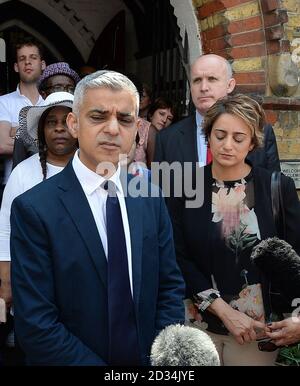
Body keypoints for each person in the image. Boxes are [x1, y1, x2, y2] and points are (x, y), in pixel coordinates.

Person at [10, 70, 185, 365]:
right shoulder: (34, 209)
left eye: (125, 119)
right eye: (98, 116)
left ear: (137, 129)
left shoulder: (150, 198)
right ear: (74, 124)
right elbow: (36, 325)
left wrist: (158, 359)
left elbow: (169, 287)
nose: (113, 129)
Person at [167, 94, 300, 366]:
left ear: (252, 142)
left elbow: (294, 258)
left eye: (238, 138)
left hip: (257, 331)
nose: (227, 145)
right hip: (196, 323)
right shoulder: (183, 185)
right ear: (208, 135)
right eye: (220, 135)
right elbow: (176, 256)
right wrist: (223, 310)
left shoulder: (277, 187)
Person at [0, 92, 77, 350]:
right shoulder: (23, 173)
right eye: (50, 122)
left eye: (65, 120)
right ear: (41, 129)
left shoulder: (92, 171)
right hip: (33, 287)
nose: (58, 128)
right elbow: (5, 230)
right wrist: (7, 283)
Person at [154, 54, 280, 171]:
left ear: (230, 85)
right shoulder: (166, 139)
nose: (203, 88)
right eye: (197, 80)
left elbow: (272, 187)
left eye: (212, 79)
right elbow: (162, 191)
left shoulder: (260, 132)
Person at [0, 37, 46, 201]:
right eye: (22, 59)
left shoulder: (50, 102)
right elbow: (2, 145)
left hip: (48, 182)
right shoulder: (3, 102)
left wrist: (18, 131)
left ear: (42, 64)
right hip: (13, 184)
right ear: (15, 66)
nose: (27, 62)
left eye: (33, 57)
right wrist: (43, 137)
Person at [12, 62, 81, 168]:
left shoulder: (84, 128)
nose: (64, 92)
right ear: (43, 94)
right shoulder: (23, 134)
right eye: (57, 87)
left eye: (70, 88)